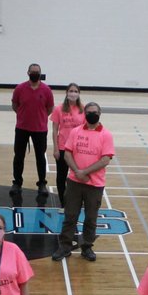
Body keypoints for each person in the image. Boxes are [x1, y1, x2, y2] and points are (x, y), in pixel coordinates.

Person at [53, 101, 115, 263]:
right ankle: (65, 246)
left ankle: (87, 246)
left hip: (94, 184)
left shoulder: (106, 135)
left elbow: (105, 160)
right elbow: (67, 154)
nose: (91, 114)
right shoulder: (75, 132)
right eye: (88, 112)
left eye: (94, 112)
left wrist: (84, 172)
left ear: (99, 113)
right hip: (74, 182)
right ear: (85, 114)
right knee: (70, 215)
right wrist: (77, 173)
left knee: (91, 218)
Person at [10, 63, 54, 196]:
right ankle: (17, 183)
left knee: (40, 157)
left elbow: (50, 108)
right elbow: (14, 105)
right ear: (28, 73)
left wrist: (39, 118)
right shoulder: (20, 88)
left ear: (40, 74)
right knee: (19, 156)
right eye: (33, 71)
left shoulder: (46, 90)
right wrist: (23, 116)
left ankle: (42, 183)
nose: (35, 73)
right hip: (22, 127)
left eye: (37, 72)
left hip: (40, 129)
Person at [49, 83, 86, 205]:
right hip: (63, 147)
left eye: (76, 91)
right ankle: (63, 202)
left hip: (78, 148)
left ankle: (77, 200)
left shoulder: (83, 109)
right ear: (66, 92)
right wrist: (55, 149)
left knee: (77, 174)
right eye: (71, 91)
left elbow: (86, 129)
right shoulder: (59, 109)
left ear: (79, 93)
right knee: (61, 176)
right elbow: (55, 129)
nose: (73, 93)